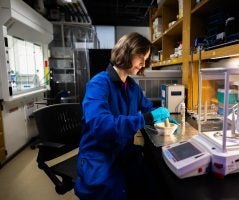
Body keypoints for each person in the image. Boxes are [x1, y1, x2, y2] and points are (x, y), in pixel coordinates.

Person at [74, 32, 175, 200]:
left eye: (146, 58)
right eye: (141, 56)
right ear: (127, 51)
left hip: (125, 153)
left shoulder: (131, 86)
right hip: (100, 158)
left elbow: (147, 107)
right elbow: (102, 125)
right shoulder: (98, 84)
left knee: (156, 187)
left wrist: (163, 117)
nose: (143, 63)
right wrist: (147, 118)